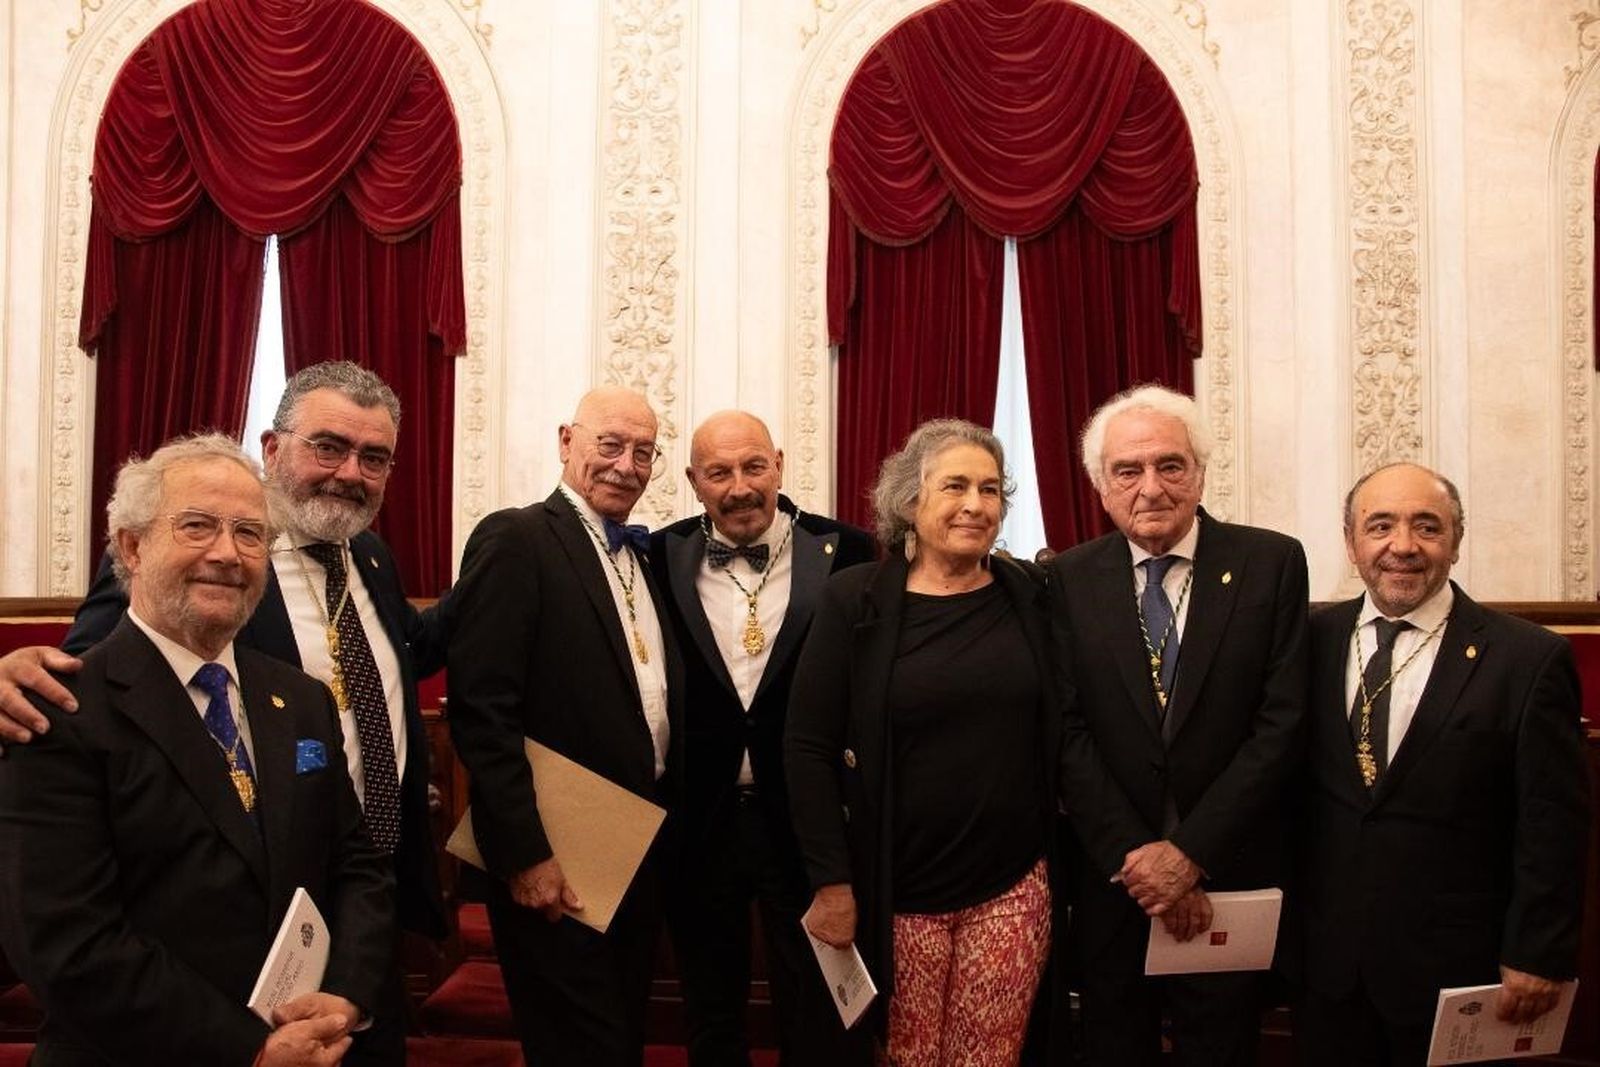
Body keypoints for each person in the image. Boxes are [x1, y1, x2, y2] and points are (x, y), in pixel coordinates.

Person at [0, 361, 448, 1064]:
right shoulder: (91, 695)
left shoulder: (370, 564)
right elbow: (90, 675)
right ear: (274, 449)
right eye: (328, 446)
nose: (349, 472)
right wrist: (9, 673)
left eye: (374, 457)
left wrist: (350, 986)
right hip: (166, 1027)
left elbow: (404, 662)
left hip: (343, 961)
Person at [1294, 463, 1591, 1065]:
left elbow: (1552, 823)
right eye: (1380, 526)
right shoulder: (1306, 642)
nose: (1402, 546)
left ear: (1456, 541)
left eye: (1426, 526)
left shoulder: (1528, 659)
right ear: (1351, 543)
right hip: (1326, 968)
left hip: (1457, 970)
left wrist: (1537, 952)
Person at [786, 419, 1060, 1066]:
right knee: (905, 1055)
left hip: (1010, 888)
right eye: (955, 485)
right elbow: (805, 746)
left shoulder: (1031, 595)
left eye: (990, 489)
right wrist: (831, 882)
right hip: (894, 893)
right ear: (910, 501)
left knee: (987, 1058)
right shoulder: (854, 601)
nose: (975, 504)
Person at [1049, 384, 1307, 1066]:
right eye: (1127, 471)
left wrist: (1189, 854)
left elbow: (1280, 725)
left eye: (1170, 465)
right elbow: (1066, 731)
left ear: (1200, 470)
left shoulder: (1270, 564)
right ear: (1100, 485)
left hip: (1227, 875)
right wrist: (1140, 858)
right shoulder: (1067, 580)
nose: (1151, 487)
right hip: (1114, 882)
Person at [445, 385, 684, 1067]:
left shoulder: (641, 557)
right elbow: (482, 709)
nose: (626, 464)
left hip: (633, 848)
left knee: (619, 1037)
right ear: (566, 440)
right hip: (556, 854)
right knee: (580, 1047)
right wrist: (525, 853)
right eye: (610, 444)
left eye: (644, 451)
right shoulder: (516, 537)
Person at [651, 410, 875, 1066]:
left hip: (808, 825)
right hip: (699, 823)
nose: (740, 486)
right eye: (719, 472)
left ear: (778, 462)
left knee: (816, 1008)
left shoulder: (849, 550)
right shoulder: (658, 554)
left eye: (753, 466)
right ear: (694, 481)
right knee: (710, 1011)